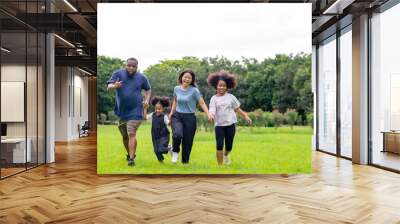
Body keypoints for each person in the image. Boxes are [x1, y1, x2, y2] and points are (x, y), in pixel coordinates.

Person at [107, 57, 151, 166]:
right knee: (125, 136)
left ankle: (131, 159)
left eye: (133, 66)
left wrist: (146, 100)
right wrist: (114, 86)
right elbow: (108, 86)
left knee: (131, 133)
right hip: (122, 111)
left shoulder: (142, 77)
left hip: (136, 109)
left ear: (137, 66)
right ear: (125, 65)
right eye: (129, 65)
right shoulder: (118, 74)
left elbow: (148, 89)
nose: (131, 68)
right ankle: (130, 154)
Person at [207, 70, 252, 165]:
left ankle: (226, 155)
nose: (221, 87)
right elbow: (212, 109)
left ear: (227, 87)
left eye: (223, 85)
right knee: (219, 145)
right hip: (219, 125)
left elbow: (237, 109)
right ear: (216, 86)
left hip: (230, 125)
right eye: (220, 85)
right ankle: (220, 166)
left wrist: (246, 116)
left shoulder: (231, 97)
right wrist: (211, 115)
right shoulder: (213, 98)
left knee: (229, 146)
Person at [169, 69, 212, 164]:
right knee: (177, 134)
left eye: (189, 78)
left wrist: (208, 113)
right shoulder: (176, 88)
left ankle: (185, 161)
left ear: (192, 80)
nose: (187, 79)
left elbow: (201, 102)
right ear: (181, 78)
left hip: (190, 118)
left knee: (188, 141)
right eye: (185, 77)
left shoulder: (194, 91)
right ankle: (175, 151)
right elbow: (175, 101)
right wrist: (171, 112)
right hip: (177, 116)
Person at [145, 96, 171, 163]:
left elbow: (168, 123)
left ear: (162, 109)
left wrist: (171, 120)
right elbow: (145, 118)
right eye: (156, 109)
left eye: (159, 109)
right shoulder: (152, 115)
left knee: (161, 149)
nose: (157, 110)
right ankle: (161, 161)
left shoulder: (164, 116)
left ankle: (171, 148)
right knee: (156, 150)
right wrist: (145, 109)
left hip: (164, 135)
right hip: (155, 136)